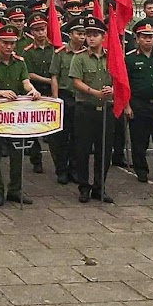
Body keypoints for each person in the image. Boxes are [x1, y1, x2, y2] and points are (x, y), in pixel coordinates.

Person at [0, 26, 39, 206]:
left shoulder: (19, 62)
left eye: (12, 43)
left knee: (17, 154)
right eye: (5, 43)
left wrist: (33, 90)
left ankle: (15, 189)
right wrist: (1, 92)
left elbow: (26, 83)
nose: (9, 46)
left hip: (15, 115)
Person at [69, 17, 114, 204]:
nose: (91, 38)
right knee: (82, 150)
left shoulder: (112, 58)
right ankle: (84, 187)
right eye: (88, 35)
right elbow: (76, 81)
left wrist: (113, 91)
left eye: (95, 35)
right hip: (85, 109)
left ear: (103, 36)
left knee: (104, 151)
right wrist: (94, 92)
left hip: (105, 110)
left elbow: (121, 80)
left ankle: (99, 186)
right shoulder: (79, 58)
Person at [123, 20, 153, 184]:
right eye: (144, 36)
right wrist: (126, 105)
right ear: (137, 38)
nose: (148, 40)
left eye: (150, 36)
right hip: (138, 104)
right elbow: (125, 84)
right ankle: (141, 170)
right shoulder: (130, 59)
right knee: (139, 140)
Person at [48, 18, 86, 184]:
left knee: (79, 137)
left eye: (84, 34)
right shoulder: (60, 53)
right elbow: (54, 76)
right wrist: (56, 99)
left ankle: (75, 169)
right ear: (70, 35)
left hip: (82, 99)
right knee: (62, 138)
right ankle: (61, 170)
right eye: (79, 34)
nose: (82, 37)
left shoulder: (87, 53)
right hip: (65, 97)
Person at [21, 15, 56, 174]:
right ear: (32, 32)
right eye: (37, 30)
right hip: (34, 91)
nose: (41, 33)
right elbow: (28, 74)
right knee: (33, 128)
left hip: (52, 91)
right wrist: (49, 80)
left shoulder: (54, 49)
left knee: (54, 129)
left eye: (43, 29)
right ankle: (36, 160)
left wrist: (52, 83)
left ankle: (59, 164)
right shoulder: (27, 52)